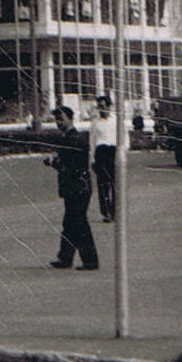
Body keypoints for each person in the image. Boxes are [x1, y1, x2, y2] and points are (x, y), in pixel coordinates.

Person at [46, 105, 98, 271]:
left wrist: (54, 162)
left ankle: (90, 260)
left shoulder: (73, 139)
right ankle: (65, 257)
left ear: (70, 119)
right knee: (70, 222)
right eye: (57, 120)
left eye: (61, 119)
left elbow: (70, 165)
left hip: (77, 188)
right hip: (77, 187)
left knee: (79, 223)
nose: (58, 123)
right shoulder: (71, 138)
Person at [89, 94, 117, 223]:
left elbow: (124, 137)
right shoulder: (95, 122)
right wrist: (92, 159)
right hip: (101, 153)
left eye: (104, 106)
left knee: (115, 184)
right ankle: (106, 213)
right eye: (99, 107)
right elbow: (92, 141)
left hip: (113, 152)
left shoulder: (116, 120)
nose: (102, 109)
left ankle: (115, 212)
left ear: (109, 107)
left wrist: (123, 152)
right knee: (103, 185)